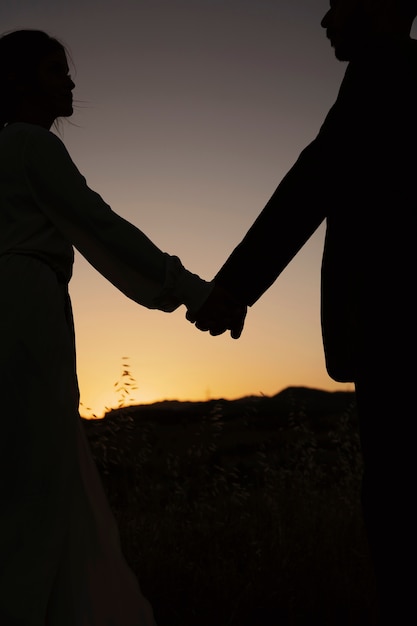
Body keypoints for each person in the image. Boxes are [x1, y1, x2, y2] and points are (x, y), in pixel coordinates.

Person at [187, 1, 417, 623]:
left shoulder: (384, 67)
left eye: (339, 3)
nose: (325, 19)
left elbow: (316, 177)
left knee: (399, 512)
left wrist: (235, 286)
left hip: (398, 330)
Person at [0, 29, 213, 626]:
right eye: (53, 71)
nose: (69, 82)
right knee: (38, 483)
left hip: (18, 308)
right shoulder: (30, 145)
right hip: (25, 315)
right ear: (19, 81)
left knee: (23, 474)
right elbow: (103, 227)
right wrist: (191, 289)